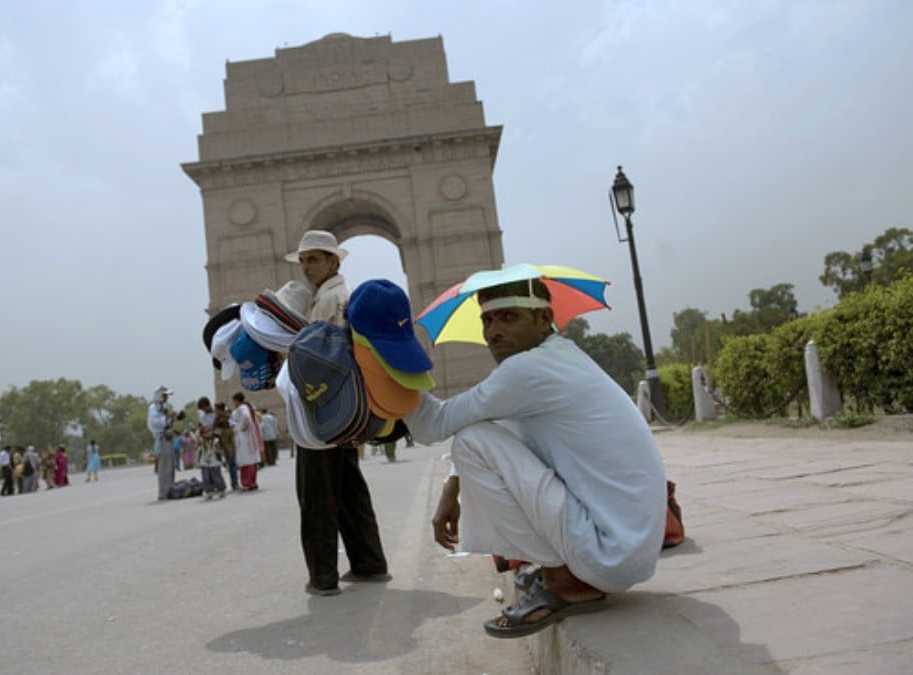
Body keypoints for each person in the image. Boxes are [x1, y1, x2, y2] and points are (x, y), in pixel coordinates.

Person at [405, 278, 667, 639]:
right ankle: (563, 567)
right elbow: (499, 423)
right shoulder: (557, 358)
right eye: (488, 321)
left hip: (609, 553)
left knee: (469, 442)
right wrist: (452, 486)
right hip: (628, 548)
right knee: (479, 438)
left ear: (544, 319)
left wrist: (388, 359)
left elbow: (432, 425)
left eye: (508, 317)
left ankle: (563, 579)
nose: (492, 332)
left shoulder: (526, 372)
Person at [284, 229, 389, 596]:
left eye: (314, 259)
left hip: (321, 412)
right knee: (347, 491)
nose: (307, 267)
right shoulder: (334, 296)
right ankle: (369, 563)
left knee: (315, 495)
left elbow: (316, 359)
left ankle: (323, 577)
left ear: (334, 260)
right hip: (344, 410)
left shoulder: (329, 301)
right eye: (303, 260)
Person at [230, 392, 263, 491]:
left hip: (243, 437)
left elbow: (245, 418)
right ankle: (253, 482)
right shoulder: (248, 407)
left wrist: (240, 427)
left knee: (246, 462)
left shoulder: (241, 409)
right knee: (252, 462)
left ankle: (247, 483)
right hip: (249, 437)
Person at [147, 385, 175, 500]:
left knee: (170, 466)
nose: (166, 398)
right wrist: (167, 417)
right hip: (161, 438)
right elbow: (155, 423)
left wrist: (173, 418)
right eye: (165, 395)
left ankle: (170, 488)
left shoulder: (163, 407)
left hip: (168, 437)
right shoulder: (153, 408)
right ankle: (163, 492)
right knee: (163, 467)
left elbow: (167, 422)